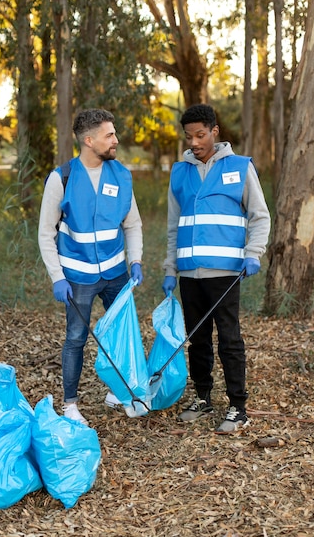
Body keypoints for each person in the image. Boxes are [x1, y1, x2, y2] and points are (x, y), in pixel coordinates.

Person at [162, 104, 270, 434]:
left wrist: (253, 253)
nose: (194, 142)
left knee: (229, 339)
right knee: (198, 340)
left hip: (226, 272)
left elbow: (260, 215)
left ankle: (238, 406)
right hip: (190, 273)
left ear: (214, 131)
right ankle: (203, 397)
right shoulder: (180, 172)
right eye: (189, 136)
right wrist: (170, 267)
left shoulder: (239, 167)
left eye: (200, 135)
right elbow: (172, 225)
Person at [38, 109, 143, 425]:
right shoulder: (63, 178)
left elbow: (133, 223)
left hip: (116, 273)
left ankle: (118, 392)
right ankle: (70, 404)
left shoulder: (121, 175)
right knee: (76, 338)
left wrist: (135, 261)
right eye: (109, 135)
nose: (116, 140)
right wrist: (57, 277)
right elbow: (46, 232)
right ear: (89, 140)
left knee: (121, 334)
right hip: (78, 275)